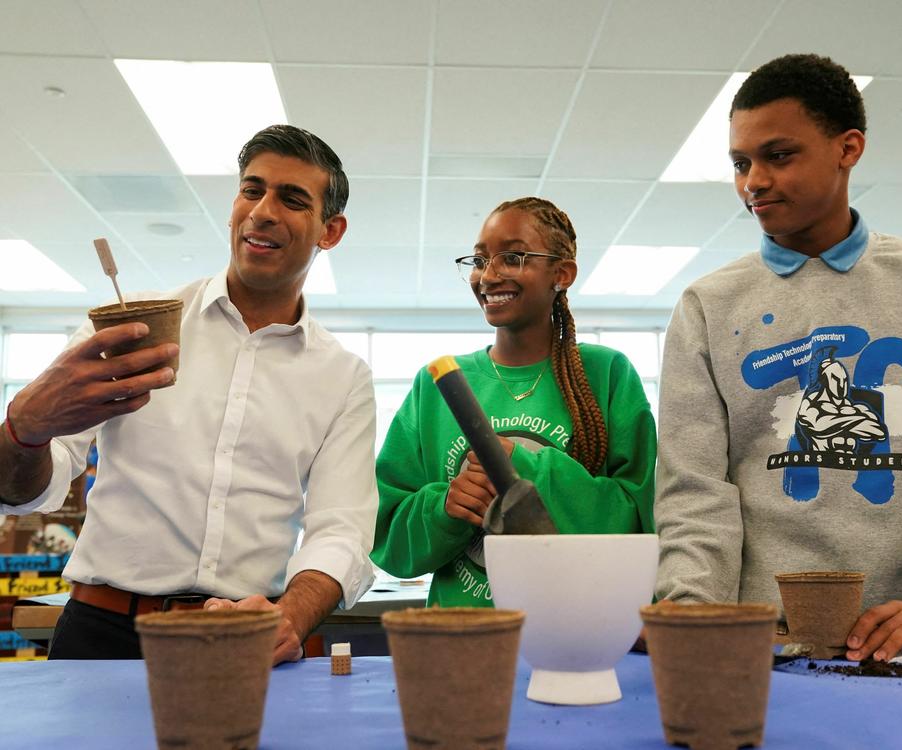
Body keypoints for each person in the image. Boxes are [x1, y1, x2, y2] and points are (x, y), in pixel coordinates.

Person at [655, 53, 902, 660]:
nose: (752, 181)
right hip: (757, 643)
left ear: (848, 148)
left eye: (778, 155)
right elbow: (694, 490)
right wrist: (691, 612)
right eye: (740, 163)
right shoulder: (707, 305)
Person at [0, 125, 378, 664]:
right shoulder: (133, 328)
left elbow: (341, 529)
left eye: (292, 199)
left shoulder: (343, 377)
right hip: (101, 637)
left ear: (330, 230)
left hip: (242, 639)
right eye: (252, 190)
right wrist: (24, 430)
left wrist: (289, 617)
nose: (263, 211)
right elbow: (26, 490)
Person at [373, 197, 656, 606]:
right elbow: (388, 540)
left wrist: (522, 470)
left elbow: (637, 518)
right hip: (462, 638)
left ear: (562, 273)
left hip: (577, 629)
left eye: (513, 257)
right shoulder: (435, 386)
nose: (488, 275)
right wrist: (445, 508)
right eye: (479, 260)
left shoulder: (607, 374)